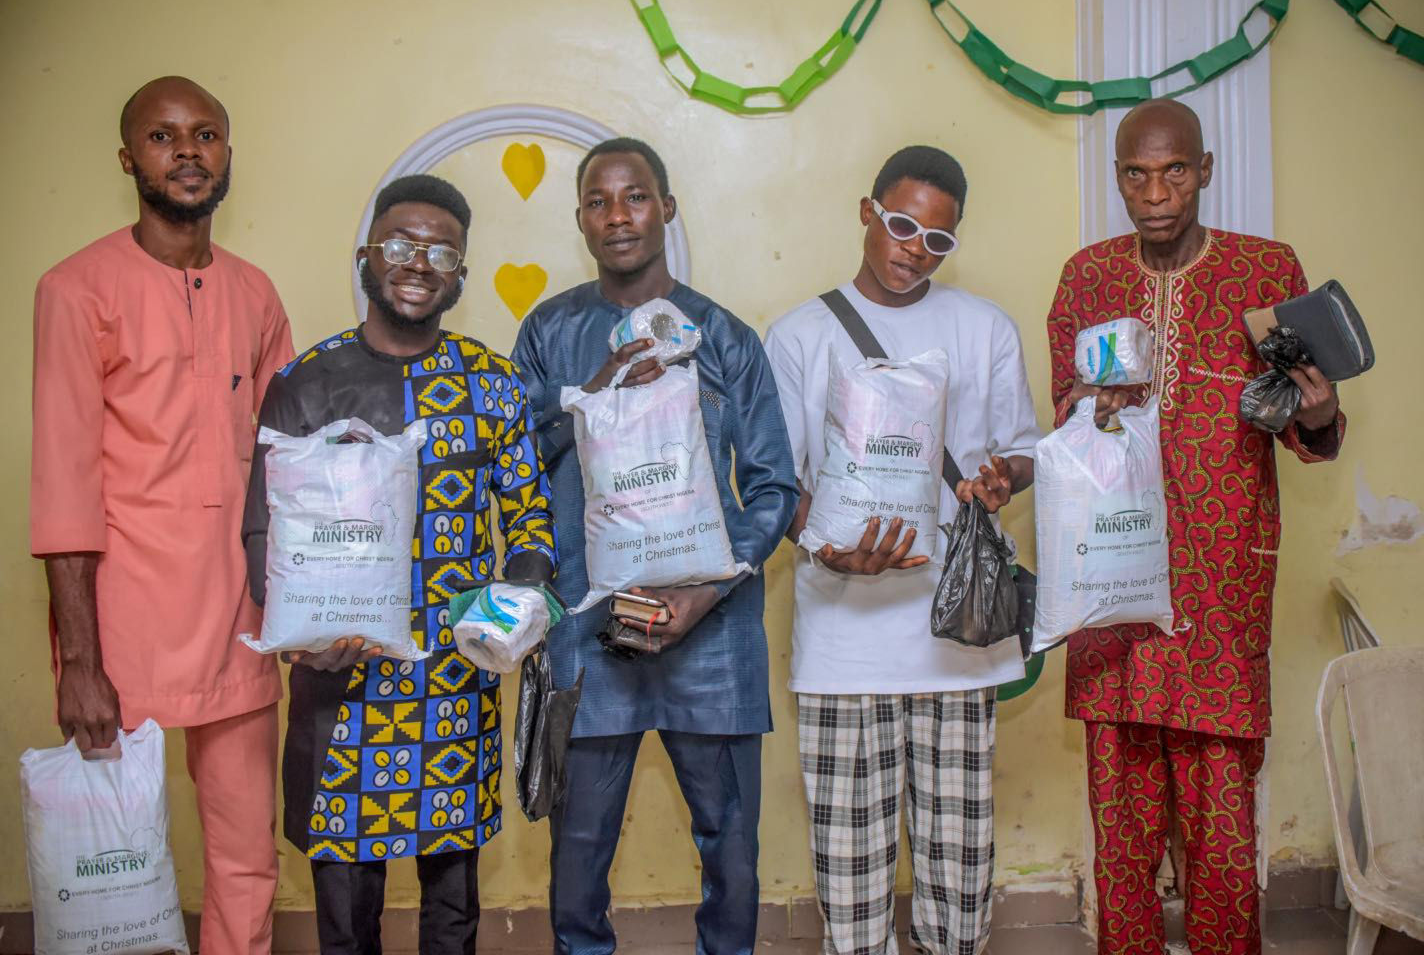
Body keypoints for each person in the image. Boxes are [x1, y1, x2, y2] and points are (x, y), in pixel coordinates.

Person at [1045, 98, 1345, 955]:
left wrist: (1320, 414)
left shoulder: (1266, 271)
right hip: (1113, 580)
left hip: (1222, 582)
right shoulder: (1086, 277)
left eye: (1175, 171)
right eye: (1136, 175)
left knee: (1221, 811)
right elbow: (1063, 416)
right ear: (1118, 179)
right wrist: (1090, 403)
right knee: (1122, 806)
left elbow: (1306, 426)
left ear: (1204, 170)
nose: (1156, 194)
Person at [240, 175, 556, 955]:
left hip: (454, 682)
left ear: (460, 276)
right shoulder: (306, 382)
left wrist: (516, 607)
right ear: (366, 256)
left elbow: (529, 517)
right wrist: (304, 639)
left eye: (441, 252)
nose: (419, 263)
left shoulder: (491, 383)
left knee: (452, 910)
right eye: (401, 245)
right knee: (347, 916)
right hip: (340, 684)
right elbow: (262, 530)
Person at [511, 137, 797, 955]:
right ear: (580, 219)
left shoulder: (725, 337)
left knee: (730, 847)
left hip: (712, 633)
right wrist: (592, 390)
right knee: (578, 851)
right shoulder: (551, 331)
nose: (618, 216)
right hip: (589, 630)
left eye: (635, 196)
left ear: (666, 207)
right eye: (597, 201)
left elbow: (773, 486)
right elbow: (513, 457)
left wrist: (704, 593)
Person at [30, 75, 293, 955]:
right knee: (113, 856)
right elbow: (63, 484)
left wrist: (305, 612)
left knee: (247, 850)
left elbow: (289, 471)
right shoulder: (76, 289)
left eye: (205, 134)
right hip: (124, 620)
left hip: (239, 615)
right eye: (162, 136)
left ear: (227, 154)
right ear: (127, 159)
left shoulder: (255, 293)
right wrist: (81, 662)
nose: (187, 151)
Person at [764, 145, 1042, 955]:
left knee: (959, 867)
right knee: (851, 875)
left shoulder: (984, 328)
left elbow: (1024, 449)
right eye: (900, 225)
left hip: (955, 635)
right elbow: (776, 484)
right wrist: (826, 548)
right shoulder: (800, 335)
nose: (915, 249)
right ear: (868, 211)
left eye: (937, 240)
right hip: (842, 644)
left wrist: (1003, 478)